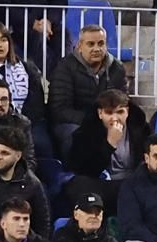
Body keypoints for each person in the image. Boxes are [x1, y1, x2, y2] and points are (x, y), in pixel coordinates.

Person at [49, 25, 129, 157]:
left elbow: (124, 102)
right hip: (73, 122)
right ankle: (79, 173)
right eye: (91, 44)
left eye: (101, 43)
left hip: (108, 119)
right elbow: (59, 110)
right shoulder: (64, 67)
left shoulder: (117, 68)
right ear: (80, 46)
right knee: (76, 135)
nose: (96, 49)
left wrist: (110, 119)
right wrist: (94, 122)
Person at [68, 90, 153, 205]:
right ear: (100, 113)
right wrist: (110, 144)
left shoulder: (141, 128)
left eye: (120, 112)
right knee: (79, 185)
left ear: (127, 111)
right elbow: (84, 170)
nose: (115, 118)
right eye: (109, 113)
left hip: (134, 181)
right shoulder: (85, 133)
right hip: (102, 184)